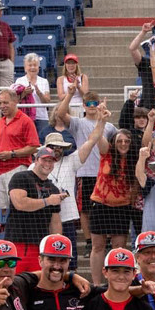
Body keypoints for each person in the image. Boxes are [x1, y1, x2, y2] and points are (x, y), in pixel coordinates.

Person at [53, 88, 119, 248]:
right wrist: (69, 94)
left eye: (95, 103)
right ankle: (89, 241)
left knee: (106, 207)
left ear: (99, 104)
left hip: (104, 173)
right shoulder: (78, 123)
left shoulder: (109, 126)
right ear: (83, 105)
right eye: (88, 103)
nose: (91, 106)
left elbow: (119, 145)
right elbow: (60, 114)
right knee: (84, 209)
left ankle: (107, 238)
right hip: (84, 172)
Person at [4, 148, 67, 272]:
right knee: (16, 284)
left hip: (41, 247)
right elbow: (20, 204)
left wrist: (56, 243)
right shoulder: (20, 177)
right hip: (18, 243)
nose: (48, 164)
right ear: (36, 160)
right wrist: (47, 201)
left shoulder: (53, 188)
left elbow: (55, 221)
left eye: (51, 161)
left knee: (39, 286)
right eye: (45, 160)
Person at [87, 130, 135, 285]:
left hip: (122, 207)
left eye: (127, 141)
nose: (123, 144)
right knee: (98, 246)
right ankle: (96, 284)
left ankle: (115, 282)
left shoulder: (133, 160)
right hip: (100, 204)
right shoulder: (106, 153)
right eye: (119, 141)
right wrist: (100, 120)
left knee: (118, 246)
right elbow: (98, 137)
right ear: (113, 142)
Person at [0, 89, 40, 211]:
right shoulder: (0, 122)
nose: (2, 106)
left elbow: (34, 147)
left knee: (17, 208)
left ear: (15, 102)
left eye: (5, 103)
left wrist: (12, 154)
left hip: (17, 168)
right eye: (0, 103)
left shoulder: (26, 121)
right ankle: (2, 231)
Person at [128, 22, 155, 109]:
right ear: (152, 50)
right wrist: (143, 32)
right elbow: (132, 49)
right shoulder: (144, 63)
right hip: (145, 106)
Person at [15, 54, 51, 132]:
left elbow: (47, 102)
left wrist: (39, 93)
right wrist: (24, 93)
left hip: (41, 117)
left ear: (38, 67)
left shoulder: (44, 81)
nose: (32, 67)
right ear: (25, 68)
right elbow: (15, 101)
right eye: (30, 65)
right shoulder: (19, 81)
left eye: (35, 65)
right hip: (24, 117)